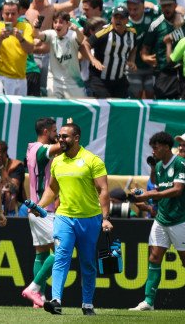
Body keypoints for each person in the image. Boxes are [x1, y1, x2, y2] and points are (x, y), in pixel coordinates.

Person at [34, 121, 112, 316]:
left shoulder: (92, 160)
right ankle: (56, 301)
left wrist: (105, 218)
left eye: (65, 136)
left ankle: (87, 304)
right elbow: (52, 189)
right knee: (61, 257)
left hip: (90, 219)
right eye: (59, 136)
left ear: (76, 138)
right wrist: (40, 206)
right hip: (64, 218)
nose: (61, 139)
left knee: (87, 263)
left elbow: (103, 190)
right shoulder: (57, 161)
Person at [130, 132, 185, 313]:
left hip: (180, 220)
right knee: (154, 257)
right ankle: (148, 301)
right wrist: (143, 198)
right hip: (161, 219)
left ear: (165, 147)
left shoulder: (180, 164)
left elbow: (177, 190)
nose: (153, 151)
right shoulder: (158, 166)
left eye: (156, 147)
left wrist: (148, 195)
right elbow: (158, 187)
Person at [21, 117, 63, 308]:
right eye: (55, 131)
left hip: (35, 209)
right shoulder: (40, 149)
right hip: (43, 210)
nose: (57, 134)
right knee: (62, 248)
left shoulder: (31, 148)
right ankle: (33, 288)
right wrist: (68, 133)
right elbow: (63, 146)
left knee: (41, 253)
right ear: (46, 131)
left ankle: (39, 299)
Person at [141, 0, 185, 99]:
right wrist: (145, 57)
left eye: (169, 5)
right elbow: (145, 49)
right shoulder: (155, 25)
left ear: (175, 5)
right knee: (163, 104)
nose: (166, 8)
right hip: (164, 72)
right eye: (164, 6)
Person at [35, 11, 89, 98]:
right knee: (54, 108)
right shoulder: (51, 34)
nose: (57, 25)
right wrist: (36, 27)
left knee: (81, 107)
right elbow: (37, 34)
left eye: (61, 22)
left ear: (67, 24)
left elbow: (81, 38)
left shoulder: (73, 35)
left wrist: (76, 30)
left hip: (73, 82)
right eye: (55, 22)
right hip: (54, 80)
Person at [88, 5, 137, 98]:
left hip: (119, 79)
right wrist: (93, 59)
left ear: (127, 20)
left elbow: (134, 47)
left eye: (121, 18)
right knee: (105, 106)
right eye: (115, 17)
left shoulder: (132, 33)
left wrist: (131, 60)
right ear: (111, 19)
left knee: (120, 108)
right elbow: (85, 44)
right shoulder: (104, 33)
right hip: (100, 79)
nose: (118, 20)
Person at [0, 0, 34, 95]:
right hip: (0, 77)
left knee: (19, 109)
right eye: (7, 13)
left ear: (19, 14)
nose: (10, 17)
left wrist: (20, 38)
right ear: (2, 14)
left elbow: (30, 50)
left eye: (13, 14)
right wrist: (0, 38)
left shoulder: (26, 26)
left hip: (21, 78)